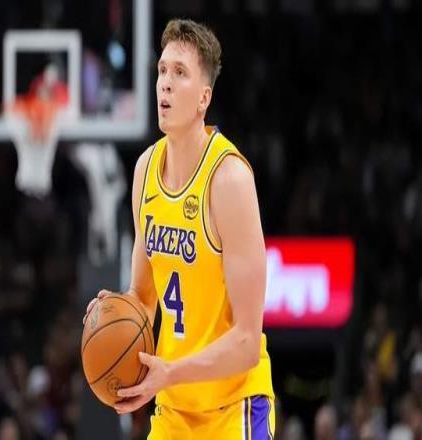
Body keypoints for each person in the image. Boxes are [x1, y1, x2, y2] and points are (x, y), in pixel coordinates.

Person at [84, 18, 274, 439]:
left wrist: (169, 372)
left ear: (204, 97)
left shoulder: (229, 180)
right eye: (162, 70)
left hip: (234, 407)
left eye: (180, 73)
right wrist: (114, 311)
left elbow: (247, 342)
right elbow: (143, 297)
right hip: (174, 409)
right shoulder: (145, 171)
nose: (165, 84)